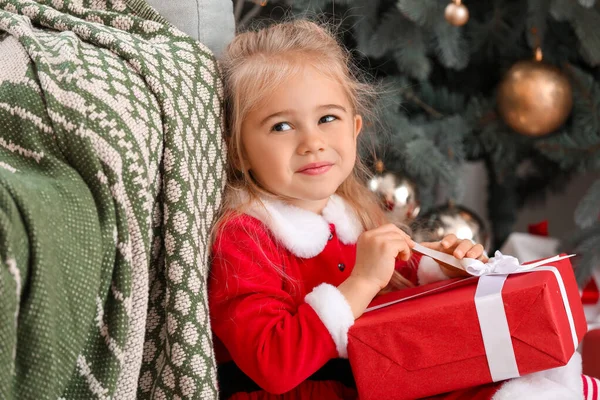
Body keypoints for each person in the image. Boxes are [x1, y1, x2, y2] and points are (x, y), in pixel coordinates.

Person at [208, 19, 597, 400]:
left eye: (327, 118)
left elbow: (401, 288)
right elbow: (272, 364)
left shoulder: (353, 214)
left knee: (532, 374)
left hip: (388, 376)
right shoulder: (245, 236)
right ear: (239, 152)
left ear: (355, 129)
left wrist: (441, 267)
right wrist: (360, 283)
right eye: (281, 127)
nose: (312, 142)